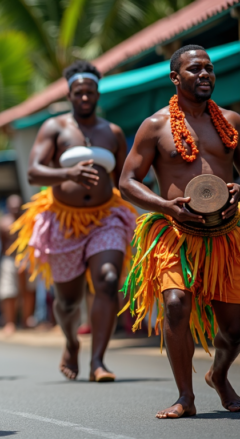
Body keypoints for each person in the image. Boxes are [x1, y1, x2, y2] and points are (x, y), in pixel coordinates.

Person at [119, 45, 240, 418]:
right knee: (175, 307)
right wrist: (164, 206)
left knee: (235, 330)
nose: (205, 74)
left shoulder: (232, 121)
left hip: (226, 234)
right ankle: (184, 397)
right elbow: (127, 181)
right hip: (174, 233)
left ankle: (218, 375)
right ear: (175, 78)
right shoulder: (154, 126)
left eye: (209, 68)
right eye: (194, 69)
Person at [9, 60, 136, 382]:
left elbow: (125, 178)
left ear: (97, 93)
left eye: (89, 92)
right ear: (69, 93)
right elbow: (33, 171)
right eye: (78, 92)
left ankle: (98, 361)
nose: (84, 97)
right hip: (63, 220)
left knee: (108, 279)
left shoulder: (113, 132)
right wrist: (68, 173)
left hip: (106, 217)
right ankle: (70, 342)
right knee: (67, 301)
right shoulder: (55, 128)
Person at [0, 194, 36, 335]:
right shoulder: (3, 223)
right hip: (9, 259)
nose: (15, 209)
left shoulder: (28, 221)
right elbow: (2, 244)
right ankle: (10, 323)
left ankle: (26, 320)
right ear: (8, 207)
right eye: (12, 207)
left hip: (26, 258)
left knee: (29, 291)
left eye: (17, 207)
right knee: (8, 292)